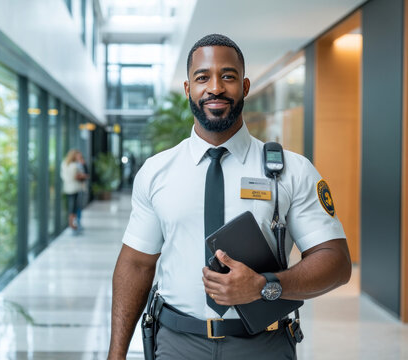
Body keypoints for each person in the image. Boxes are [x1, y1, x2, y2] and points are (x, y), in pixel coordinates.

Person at [108, 34, 351, 359]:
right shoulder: (157, 172)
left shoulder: (293, 170)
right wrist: (116, 352)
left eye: (228, 76)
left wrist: (265, 285)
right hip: (178, 344)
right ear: (187, 89)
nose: (216, 88)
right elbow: (137, 264)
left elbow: (336, 262)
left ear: (246, 86)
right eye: (202, 77)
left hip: (264, 345)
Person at [60, 149, 88, 233]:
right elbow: (81, 175)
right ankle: (73, 226)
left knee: (71, 207)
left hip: (68, 188)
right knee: (75, 207)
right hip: (76, 188)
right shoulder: (75, 165)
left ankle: (72, 225)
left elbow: (64, 177)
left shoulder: (64, 164)